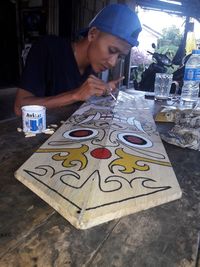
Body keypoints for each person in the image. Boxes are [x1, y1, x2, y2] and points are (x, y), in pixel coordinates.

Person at [14, 3, 141, 116]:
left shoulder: (91, 69)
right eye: (112, 50)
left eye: (120, 57)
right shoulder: (47, 48)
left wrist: (104, 89)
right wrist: (75, 95)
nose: (113, 62)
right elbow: (20, 107)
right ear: (93, 34)